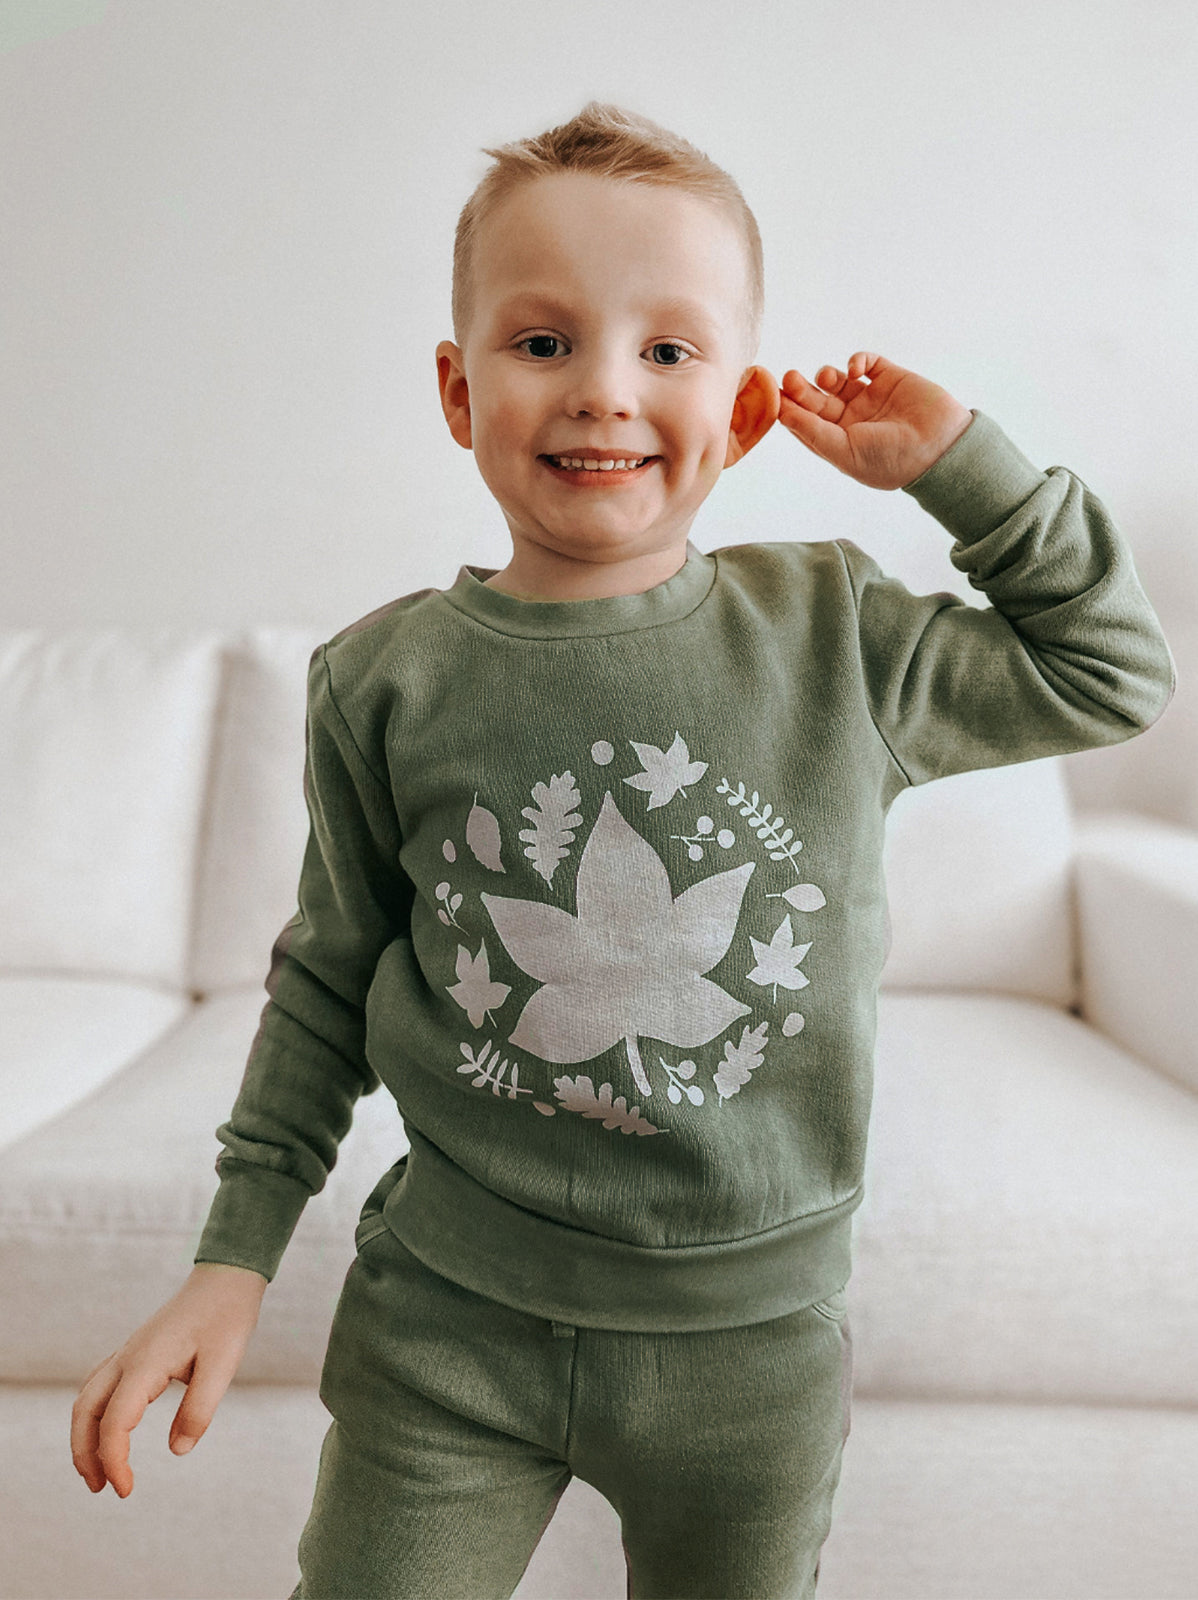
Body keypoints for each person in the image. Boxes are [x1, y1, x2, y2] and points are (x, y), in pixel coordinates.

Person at [70, 100, 1176, 1600]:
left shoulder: (831, 636)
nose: (601, 391)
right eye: (543, 344)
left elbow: (1107, 672)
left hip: (751, 1354)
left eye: (665, 350)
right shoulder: (378, 680)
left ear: (738, 409)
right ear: (460, 394)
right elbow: (331, 975)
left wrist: (961, 472)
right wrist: (232, 1256)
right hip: (448, 1324)